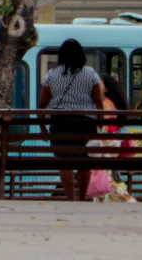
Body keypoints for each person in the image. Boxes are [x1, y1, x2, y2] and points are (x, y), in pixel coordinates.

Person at [40, 36, 106, 201]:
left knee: (64, 162)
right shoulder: (90, 73)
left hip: (60, 123)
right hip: (85, 123)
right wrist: (101, 123)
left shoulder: (52, 75)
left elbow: (42, 104)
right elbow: (98, 100)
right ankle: (82, 197)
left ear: (61, 56)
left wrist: (42, 127)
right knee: (84, 162)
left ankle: (71, 197)